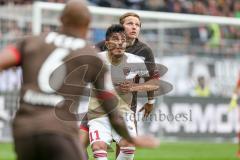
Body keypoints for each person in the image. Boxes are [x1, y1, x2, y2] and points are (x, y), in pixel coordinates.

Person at [0, 1, 159, 160]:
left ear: (61, 19)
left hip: (24, 130)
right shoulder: (89, 54)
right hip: (59, 130)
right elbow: (108, 102)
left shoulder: (32, 41)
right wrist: (132, 138)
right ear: (88, 24)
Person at [80, 12, 159, 155]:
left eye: (137, 25)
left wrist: (148, 99)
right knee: (80, 144)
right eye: (130, 23)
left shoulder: (144, 52)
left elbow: (153, 81)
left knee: (126, 148)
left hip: (126, 107)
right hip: (99, 106)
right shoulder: (102, 47)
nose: (134, 27)